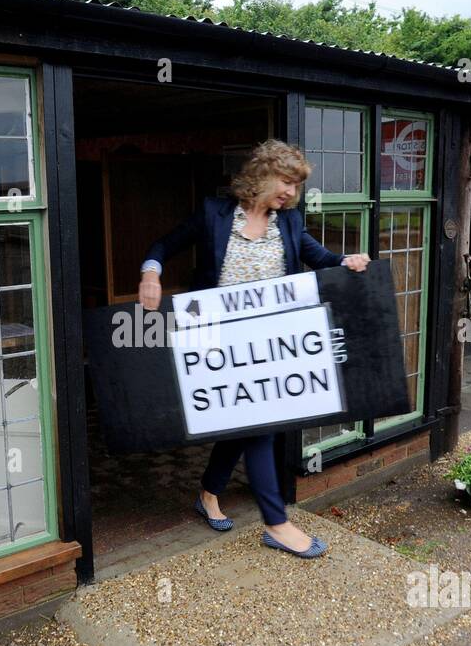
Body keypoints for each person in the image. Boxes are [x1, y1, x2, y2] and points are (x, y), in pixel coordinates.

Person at [138, 139, 370, 558]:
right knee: (252, 424)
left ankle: (214, 495)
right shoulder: (214, 214)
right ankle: (276, 523)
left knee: (250, 422)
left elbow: (317, 256)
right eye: (286, 182)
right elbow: (162, 246)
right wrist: (150, 275)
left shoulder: (290, 221)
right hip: (218, 341)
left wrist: (344, 261)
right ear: (261, 175)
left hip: (271, 344)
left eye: (296, 187)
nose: (290, 194)